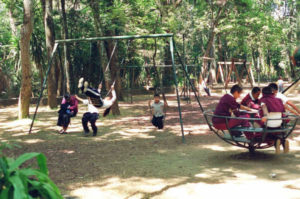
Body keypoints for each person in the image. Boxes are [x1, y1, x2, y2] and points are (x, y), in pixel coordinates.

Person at [259, 86, 289, 154]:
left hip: (269, 124)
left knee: (263, 129)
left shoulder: (263, 100)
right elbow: (283, 111)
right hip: (279, 123)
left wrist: (265, 116)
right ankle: (282, 141)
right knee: (274, 130)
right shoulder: (278, 100)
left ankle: (276, 141)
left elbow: (264, 110)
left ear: (263, 93)